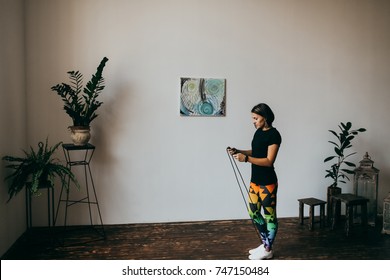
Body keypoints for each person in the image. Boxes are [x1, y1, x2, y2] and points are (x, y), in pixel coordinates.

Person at [228, 103, 282, 260]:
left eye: (256, 118)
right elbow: (256, 152)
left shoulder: (274, 135)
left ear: (264, 118)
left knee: (269, 216)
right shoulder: (258, 132)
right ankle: (266, 243)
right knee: (253, 212)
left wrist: (246, 159)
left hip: (268, 182)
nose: (253, 121)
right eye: (253, 118)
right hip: (255, 181)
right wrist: (240, 151)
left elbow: (269, 160)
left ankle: (267, 249)